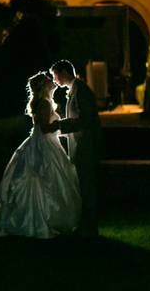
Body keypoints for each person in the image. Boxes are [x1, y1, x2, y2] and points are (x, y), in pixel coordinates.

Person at [0, 72, 81, 238]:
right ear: (44, 86)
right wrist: (60, 125)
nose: (52, 82)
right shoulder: (44, 103)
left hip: (40, 142)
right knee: (43, 179)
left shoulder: (44, 102)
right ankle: (40, 222)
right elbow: (44, 128)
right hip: (44, 145)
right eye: (49, 81)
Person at [50, 59, 101, 237]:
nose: (54, 80)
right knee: (83, 186)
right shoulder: (76, 89)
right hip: (80, 145)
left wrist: (60, 126)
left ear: (64, 72)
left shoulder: (81, 90)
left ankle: (90, 228)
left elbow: (85, 119)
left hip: (85, 146)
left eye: (55, 75)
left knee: (87, 186)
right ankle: (86, 226)